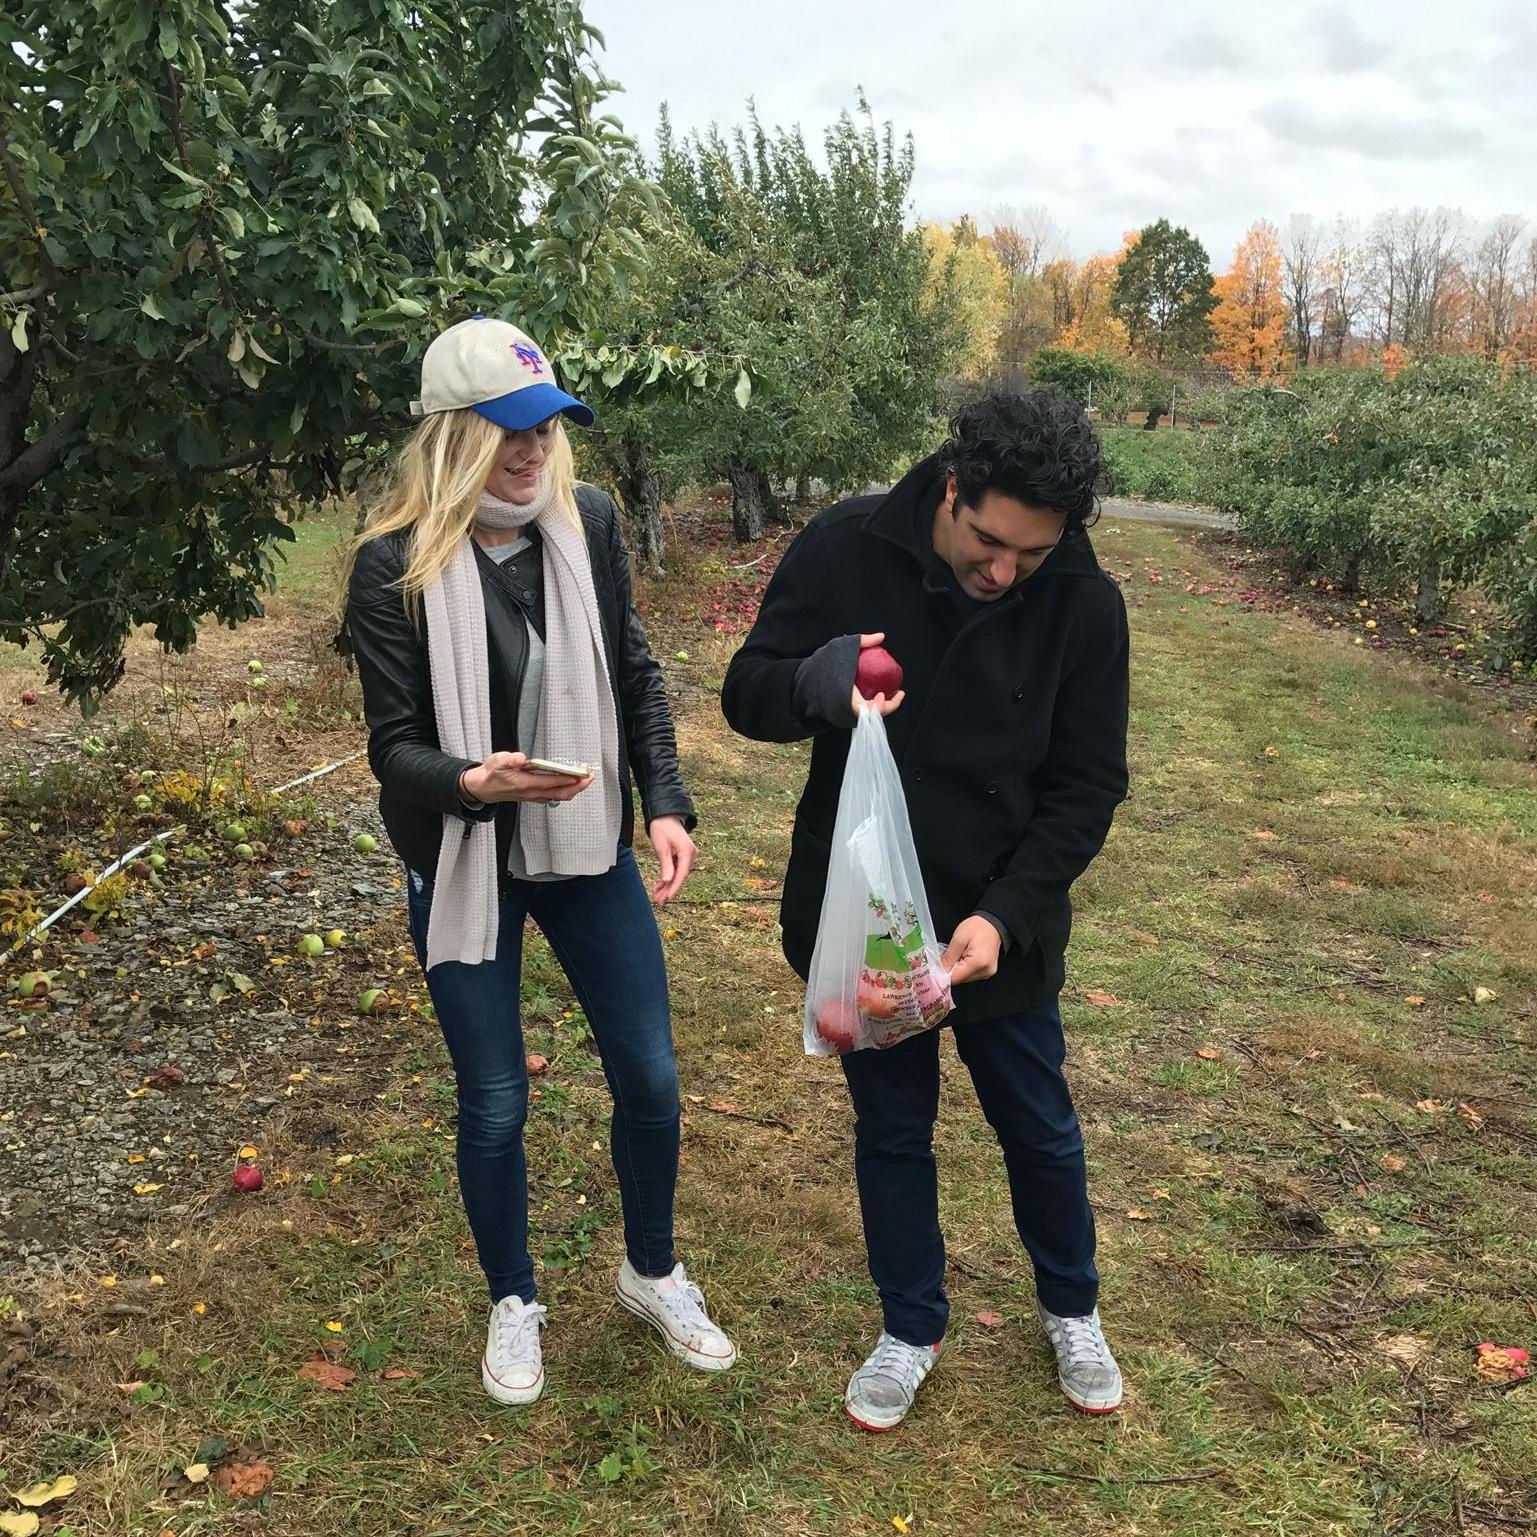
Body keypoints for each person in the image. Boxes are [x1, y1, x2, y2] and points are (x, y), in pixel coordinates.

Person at [342, 315, 735, 1407]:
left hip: (579, 841)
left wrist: (663, 800)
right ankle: (513, 1298)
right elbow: (394, 750)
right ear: (451, 434)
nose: (533, 449)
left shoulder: (588, 524)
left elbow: (636, 676)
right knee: (497, 1098)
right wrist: (473, 781)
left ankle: (650, 1269)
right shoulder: (394, 569)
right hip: (463, 854)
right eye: (509, 431)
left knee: (651, 1076)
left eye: (548, 425)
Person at [721, 389, 1129, 1430]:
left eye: (1029, 558)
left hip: (997, 920)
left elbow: (1086, 786)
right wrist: (819, 680)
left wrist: (1008, 913)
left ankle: (1070, 1307)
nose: (1001, 575)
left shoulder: (1084, 603)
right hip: (868, 913)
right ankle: (909, 1324)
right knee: (892, 1129)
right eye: (987, 543)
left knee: (1037, 1128)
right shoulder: (847, 545)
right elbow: (747, 692)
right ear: (952, 486)